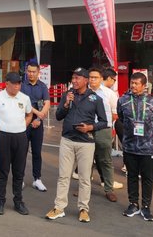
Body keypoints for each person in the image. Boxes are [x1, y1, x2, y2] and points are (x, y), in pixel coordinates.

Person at [45, 68, 107, 223]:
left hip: (86, 143)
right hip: (67, 141)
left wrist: (90, 128)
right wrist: (66, 103)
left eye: (77, 78)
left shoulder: (95, 98)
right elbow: (58, 116)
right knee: (63, 176)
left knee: (85, 178)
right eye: (73, 78)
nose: (74, 81)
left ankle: (84, 209)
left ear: (86, 80)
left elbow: (104, 122)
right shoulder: (67, 95)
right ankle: (59, 208)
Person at [117, 72, 153, 222]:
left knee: (147, 178)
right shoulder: (123, 101)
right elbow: (121, 117)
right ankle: (133, 204)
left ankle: (146, 206)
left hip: (148, 147)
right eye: (132, 83)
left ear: (144, 86)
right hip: (130, 146)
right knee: (131, 176)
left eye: (137, 83)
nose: (133, 86)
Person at [0, 72, 32, 216]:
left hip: (21, 137)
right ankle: (0, 201)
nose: (17, 86)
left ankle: (18, 201)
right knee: (3, 171)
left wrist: (24, 125)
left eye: (19, 83)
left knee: (19, 171)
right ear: (7, 83)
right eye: (14, 83)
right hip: (4, 136)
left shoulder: (25, 98)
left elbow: (29, 114)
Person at [88, 67, 120, 202]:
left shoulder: (109, 94)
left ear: (101, 79)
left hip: (103, 130)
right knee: (87, 161)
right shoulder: (83, 92)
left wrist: (104, 126)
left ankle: (109, 189)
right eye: (90, 77)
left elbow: (114, 114)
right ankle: (84, 189)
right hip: (87, 130)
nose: (92, 80)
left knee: (105, 160)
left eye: (95, 77)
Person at [21, 61, 50, 192]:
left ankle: (37, 179)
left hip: (38, 123)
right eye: (29, 71)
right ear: (26, 71)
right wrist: (38, 113)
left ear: (38, 73)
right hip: (23, 122)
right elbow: (22, 104)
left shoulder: (43, 87)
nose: (31, 74)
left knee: (37, 152)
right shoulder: (21, 86)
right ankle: (19, 178)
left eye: (34, 72)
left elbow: (47, 104)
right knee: (21, 152)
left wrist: (39, 118)